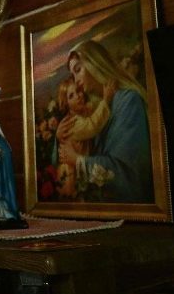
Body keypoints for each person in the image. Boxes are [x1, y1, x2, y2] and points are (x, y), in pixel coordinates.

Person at [59, 40, 154, 203]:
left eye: (78, 70)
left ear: (94, 63)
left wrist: (79, 161)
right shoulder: (96, 108)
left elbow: (130, 173)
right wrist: (61, 134)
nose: (76, 81)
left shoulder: (128, 101)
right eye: (73, 75)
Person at [54, 76, 115, 198]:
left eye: (78, 91)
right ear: (67, 105)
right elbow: (92, 126)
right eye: (71, 96)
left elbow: (91, 107)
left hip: (78, 164)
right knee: (77, 196)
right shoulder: (72, 123)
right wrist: (106, 100)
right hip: (70, 172)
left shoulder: (81, 111)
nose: (78, 96)